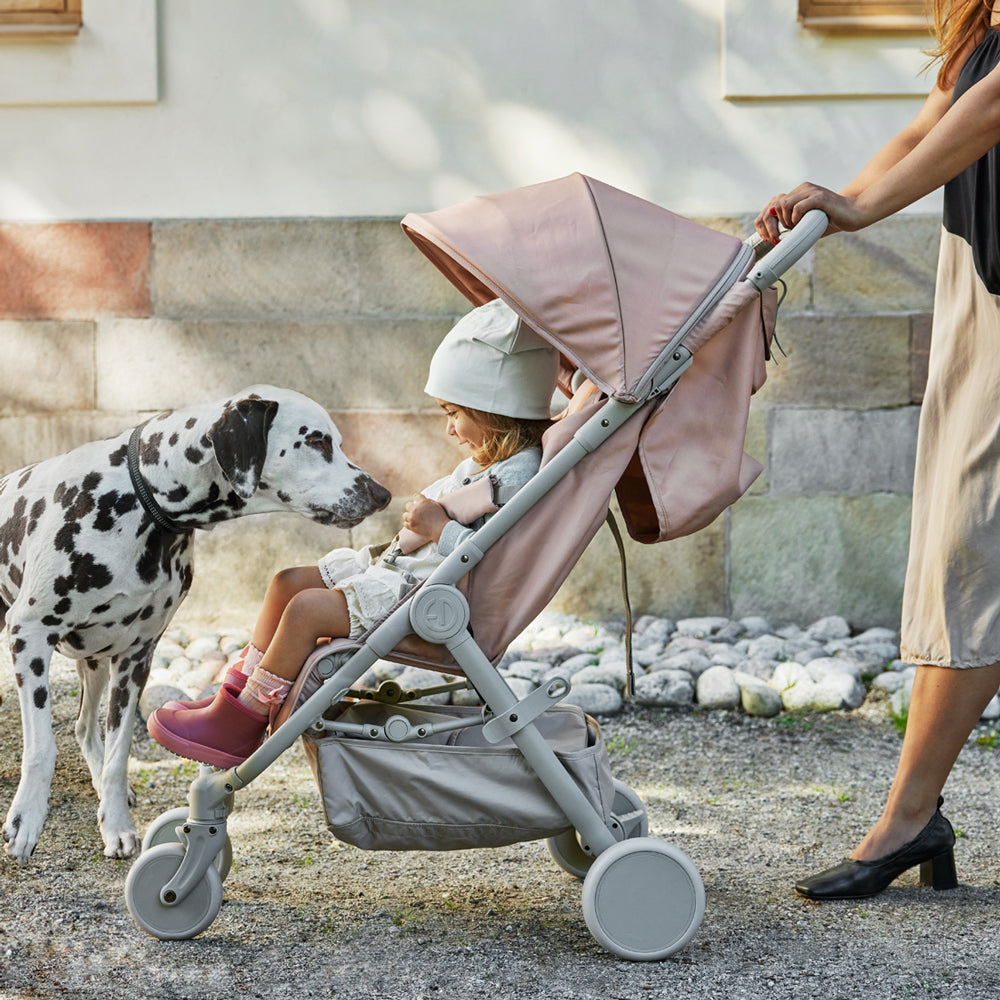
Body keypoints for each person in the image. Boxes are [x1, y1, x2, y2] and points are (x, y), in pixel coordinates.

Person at [754, 0, 1000, 900]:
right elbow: (934, 117)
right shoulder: (983, 22)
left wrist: (856, 207)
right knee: (959, 542)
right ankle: (914, 812)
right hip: (978, 289)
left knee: (969, 548)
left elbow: (993, 109)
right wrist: (820, 209)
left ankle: (907, 816)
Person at [148, 298, 559, 769]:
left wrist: (437, 526)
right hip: (408, 573)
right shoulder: (491, 466)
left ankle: (246, 719)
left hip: (434, 597)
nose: (448, 428)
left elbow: (492, 562)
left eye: (453, 412)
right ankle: (235, 696)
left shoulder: (517, 477)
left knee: (307, 610)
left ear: (493, 409)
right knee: (288, 582)